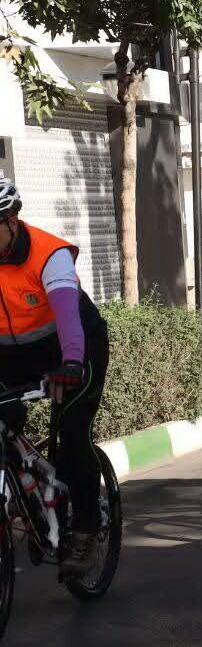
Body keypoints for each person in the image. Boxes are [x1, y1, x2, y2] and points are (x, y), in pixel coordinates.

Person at [0, 179, 109, 576]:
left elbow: (67, 315)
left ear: (12, 219)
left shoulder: (49, 255)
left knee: (73, 434)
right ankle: (24, 496)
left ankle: (85, 531)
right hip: (12, 355)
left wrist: (74, 362)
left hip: (72, 347)